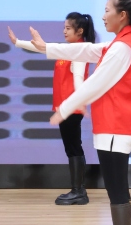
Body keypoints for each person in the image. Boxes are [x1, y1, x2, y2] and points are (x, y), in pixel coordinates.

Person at [30, 0, 131, 225]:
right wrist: (46, 47)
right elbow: (85, 51)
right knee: (116, 188)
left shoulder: (123, 47)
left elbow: (95, 83)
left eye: (107, 10)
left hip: (115, 126)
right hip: (115, 125)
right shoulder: (123, 42)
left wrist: (65, 108)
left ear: (122, 15)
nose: (103, 16)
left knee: (117, 188)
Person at [8, 12, 95, 205]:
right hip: (66, 108)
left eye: (68, 28)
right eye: (64, 27)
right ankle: (78, 190)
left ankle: (78, 192)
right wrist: (18, 42)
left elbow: (78, 78)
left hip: (71, 108)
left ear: (80, 31)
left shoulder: (79, 51)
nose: (64, 31)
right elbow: (43, 48)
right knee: (72, 147)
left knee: (73, 147)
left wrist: (79, 101)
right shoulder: (68, 49)